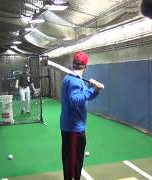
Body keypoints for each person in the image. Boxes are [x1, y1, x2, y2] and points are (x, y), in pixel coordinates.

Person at [60, 51, 104, 180]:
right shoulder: (74, 81)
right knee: (73, 164)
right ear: (86, 66)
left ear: (73, 64)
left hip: (71, 127)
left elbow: (84, 95)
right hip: (74, 129)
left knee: (71, 162)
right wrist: (92, 89)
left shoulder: (74, 79)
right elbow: (76, 100)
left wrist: (94, 89)